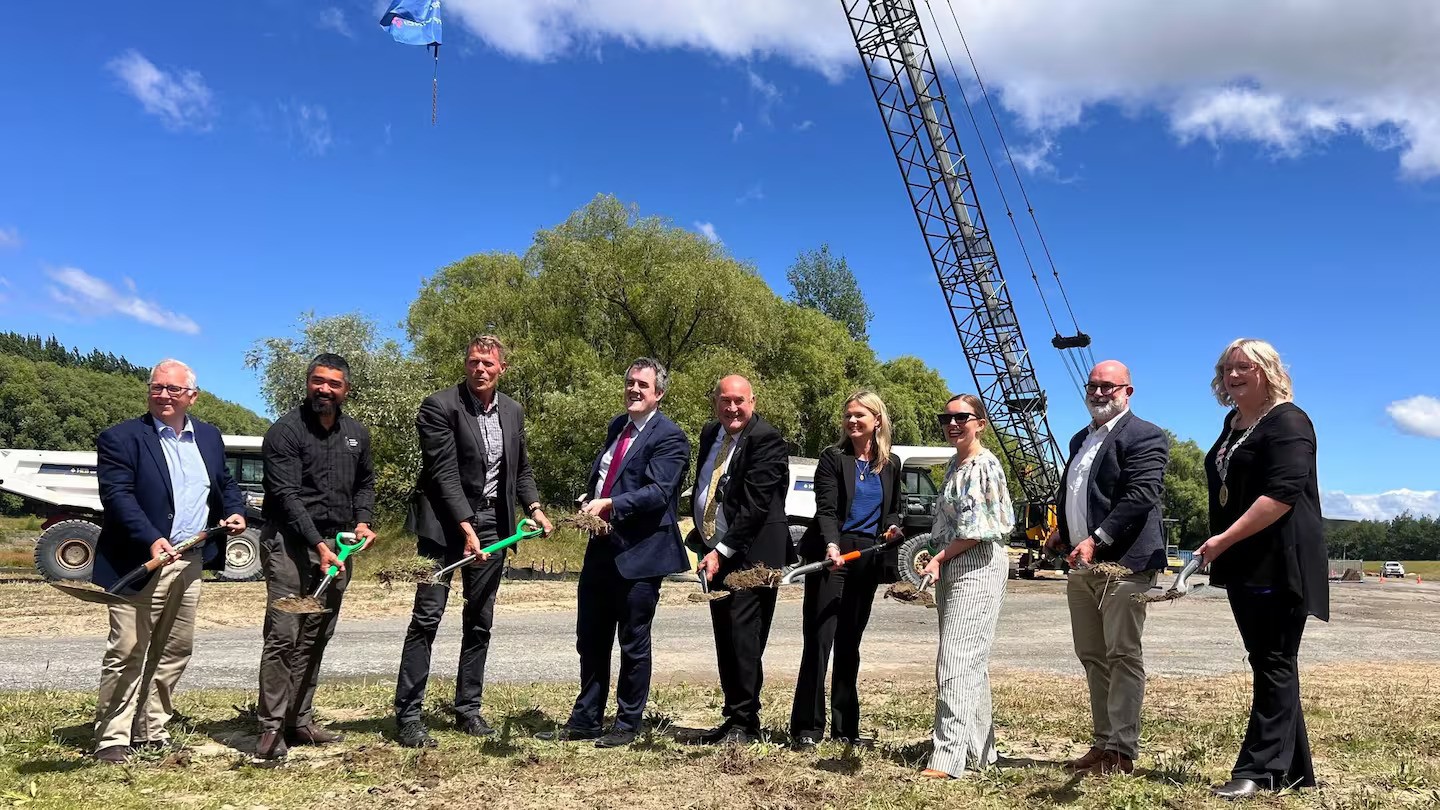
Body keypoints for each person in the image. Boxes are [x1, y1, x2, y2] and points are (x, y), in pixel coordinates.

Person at [393, 335, 552, 749]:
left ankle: (468, 709)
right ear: (465, 365)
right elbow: (443, 473)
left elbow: (521, 469)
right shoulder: (439, 406)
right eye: (473, 361)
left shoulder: (513, 411)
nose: (479, 368)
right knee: (427, 617)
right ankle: (408, 716)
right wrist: (466, 530)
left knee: (480, 619)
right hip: (444, 525)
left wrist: (534, 508)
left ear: (502, 369)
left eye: (488, 363)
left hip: (494, 523)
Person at [91, 360, 247, 763]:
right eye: (157, 387)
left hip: (189, 560)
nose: (164, 395)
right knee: (128, 650)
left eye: (173, 389)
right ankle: (112, 738)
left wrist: (234, 510)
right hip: (138, 562)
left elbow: (224, 483)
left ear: (192, 396)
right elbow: (117, 497)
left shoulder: (209, 437)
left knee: (174, 650)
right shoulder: (121, 438)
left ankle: (151, 729)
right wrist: (151, 538)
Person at [1195, 339, 1327, 800]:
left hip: (1280, 559)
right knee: (1270, 660)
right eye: (1227, 369)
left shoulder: (1289, 421)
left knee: (1274, 660)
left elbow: (1282, 494)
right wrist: (1227, 544)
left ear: (1267, 371)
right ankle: (1294, 770)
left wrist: (1223, 539)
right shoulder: (1233, 424)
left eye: (1244, 367)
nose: (1233, 376)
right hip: (1244, 560)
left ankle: (1260, 770)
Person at [538, 358, 690, 748]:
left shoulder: (670, 437)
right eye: (630, 383)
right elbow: (610, 476)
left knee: (633, 642)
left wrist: (610, 504)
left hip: (641, 553)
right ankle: (585, 720)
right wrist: (591, 498)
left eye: (643, 385)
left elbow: (659, 492)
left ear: (659, 393)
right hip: (601, 548)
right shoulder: (617, 427)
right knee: (590, 637)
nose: (634, 389)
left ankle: (626, 724)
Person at [1047, 360, 1169, 776]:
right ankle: (1103, 743)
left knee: (1122, 655)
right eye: (1093, 386)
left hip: (1125, 563)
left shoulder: (1145, 435)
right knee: (1092, 655)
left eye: (1108, 386)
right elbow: (1078, 491)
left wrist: (1096, 538)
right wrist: (1065, 531)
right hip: (1082, 562)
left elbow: (1141, 495)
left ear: (1127, 392)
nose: (1099, 393)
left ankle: (1121, 750)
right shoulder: (1080, 438)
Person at [254, 353, 377, 762]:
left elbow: (365, 483)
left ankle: (299, 719)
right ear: (308, 383)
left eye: (333, 384)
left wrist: (363, 522)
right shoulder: (285, 432)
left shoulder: (356, 434)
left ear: (346, 390)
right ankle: (271, 728)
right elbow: (286, 497)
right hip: (289, 544)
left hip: (338, 545)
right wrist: (318, 546)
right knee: (284, 634)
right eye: (318, 381)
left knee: (317, 633)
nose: (324, 389)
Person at [788, 390, 904, 750]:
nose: (852, 421)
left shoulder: (891, 463)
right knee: (819, 640)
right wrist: (831, 544)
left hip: (867, 555)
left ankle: (846, 729)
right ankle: (807, 728)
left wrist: (893, 527)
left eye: (860, 415)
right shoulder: (833, 458)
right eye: (848, 415)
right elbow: (826, 508)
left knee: (850, 644)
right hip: (832, 554)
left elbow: (893, 509)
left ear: (877, 420)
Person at [687, 375, 792, 745]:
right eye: (724, 400)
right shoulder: (710, 433)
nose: (732, 408)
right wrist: (706, 540)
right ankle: (733, 717)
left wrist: (722, 550)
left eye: (739, 401)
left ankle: (746, 724)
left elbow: (756, 505)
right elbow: (707, 485)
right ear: (715, 401)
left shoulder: (767, 439)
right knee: (726, 637)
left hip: (755, 556)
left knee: (745, 637)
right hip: (715, 550)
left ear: (752, 401)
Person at [918, 394, 1014, 779]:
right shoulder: (955, 465)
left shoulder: (983, 466)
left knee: (955, 659)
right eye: (947, 418)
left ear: (980, 424)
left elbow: (977, 530)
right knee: (969, 661)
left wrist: (939, 558)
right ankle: (980, 753)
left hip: (978, 562)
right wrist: (936, 555)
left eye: (962, 417)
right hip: (955, 562)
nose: (953, 424)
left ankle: (946, 758)